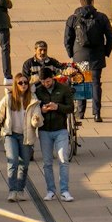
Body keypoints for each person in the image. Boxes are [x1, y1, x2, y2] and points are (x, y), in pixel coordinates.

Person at [0, 75, 41, 202]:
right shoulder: (8, 98)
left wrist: (36, 120)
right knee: (12, 161)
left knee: (24, 164)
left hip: (26, 135)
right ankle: (12, 191)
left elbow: (37, 117)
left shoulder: (33, 99)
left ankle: (20, 190)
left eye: (25, 83)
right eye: (20, 83)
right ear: (15, 85)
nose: (23, 85)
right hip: (10, 134)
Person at [31, 65, 76, 200]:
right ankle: (50, 190)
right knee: (47, 162)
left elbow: (71, 108)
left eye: (48, 81)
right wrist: (42, 110)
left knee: (63, 158)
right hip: (44, 130)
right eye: (43, 81)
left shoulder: (63, 89)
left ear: (53, 78)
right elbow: (33, 107)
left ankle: (64, 190)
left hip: (60, 129)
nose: (46, 84)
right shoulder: (38, 91)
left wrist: (57, 107)